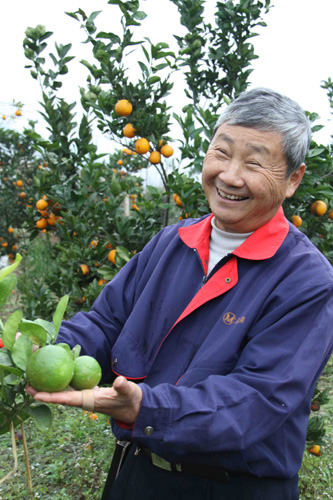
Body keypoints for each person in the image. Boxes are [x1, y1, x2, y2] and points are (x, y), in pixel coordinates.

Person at [26, 88, 333, 500]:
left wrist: (146, 408)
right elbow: (106, 323)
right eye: (221, 153)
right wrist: (42, 347)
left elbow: (258, 399)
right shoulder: (172, 242)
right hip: (135, 474)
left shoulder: (307, 280)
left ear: (293, 179)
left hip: (231, 489)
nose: (230, 175)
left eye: (254, 163)